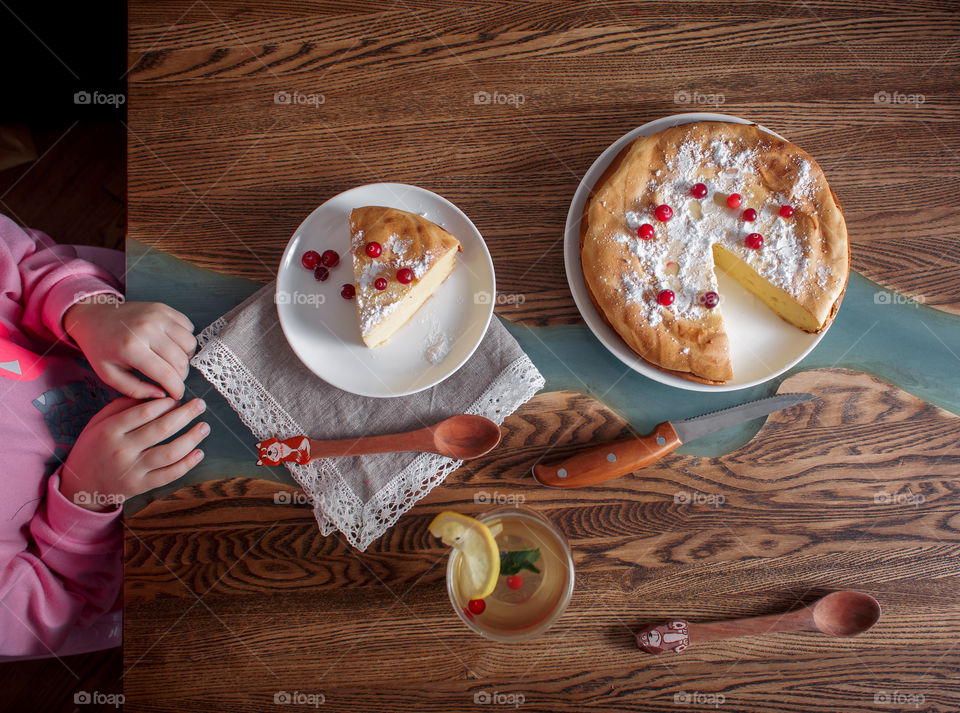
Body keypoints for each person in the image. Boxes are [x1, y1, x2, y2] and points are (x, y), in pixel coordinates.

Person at [0, 214, 209, 658]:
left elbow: (18, 256)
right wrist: (85, 495)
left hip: (145, 311)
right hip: (153, 544)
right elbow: (39, 613)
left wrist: (88, 311)